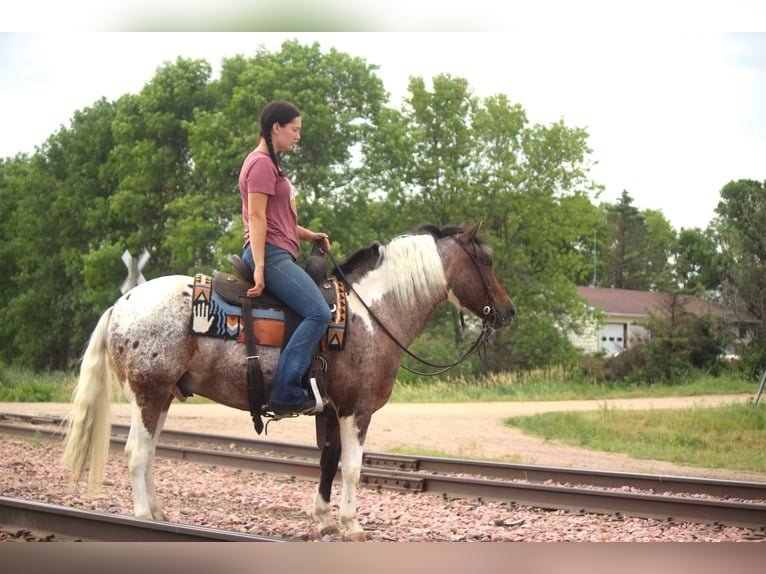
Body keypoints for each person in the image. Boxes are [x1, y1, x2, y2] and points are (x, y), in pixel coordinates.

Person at [239, 100, 332, 415]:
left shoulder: (269, 163)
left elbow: (281, 220)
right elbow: (257, 217)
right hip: (271, 254)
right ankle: (286, 391)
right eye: (295, 130)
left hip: (277, 251)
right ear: (276, 128)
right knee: (318, 313)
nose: (298, 137)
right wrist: (261, 267)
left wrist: (310, 236)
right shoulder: (261, 164)